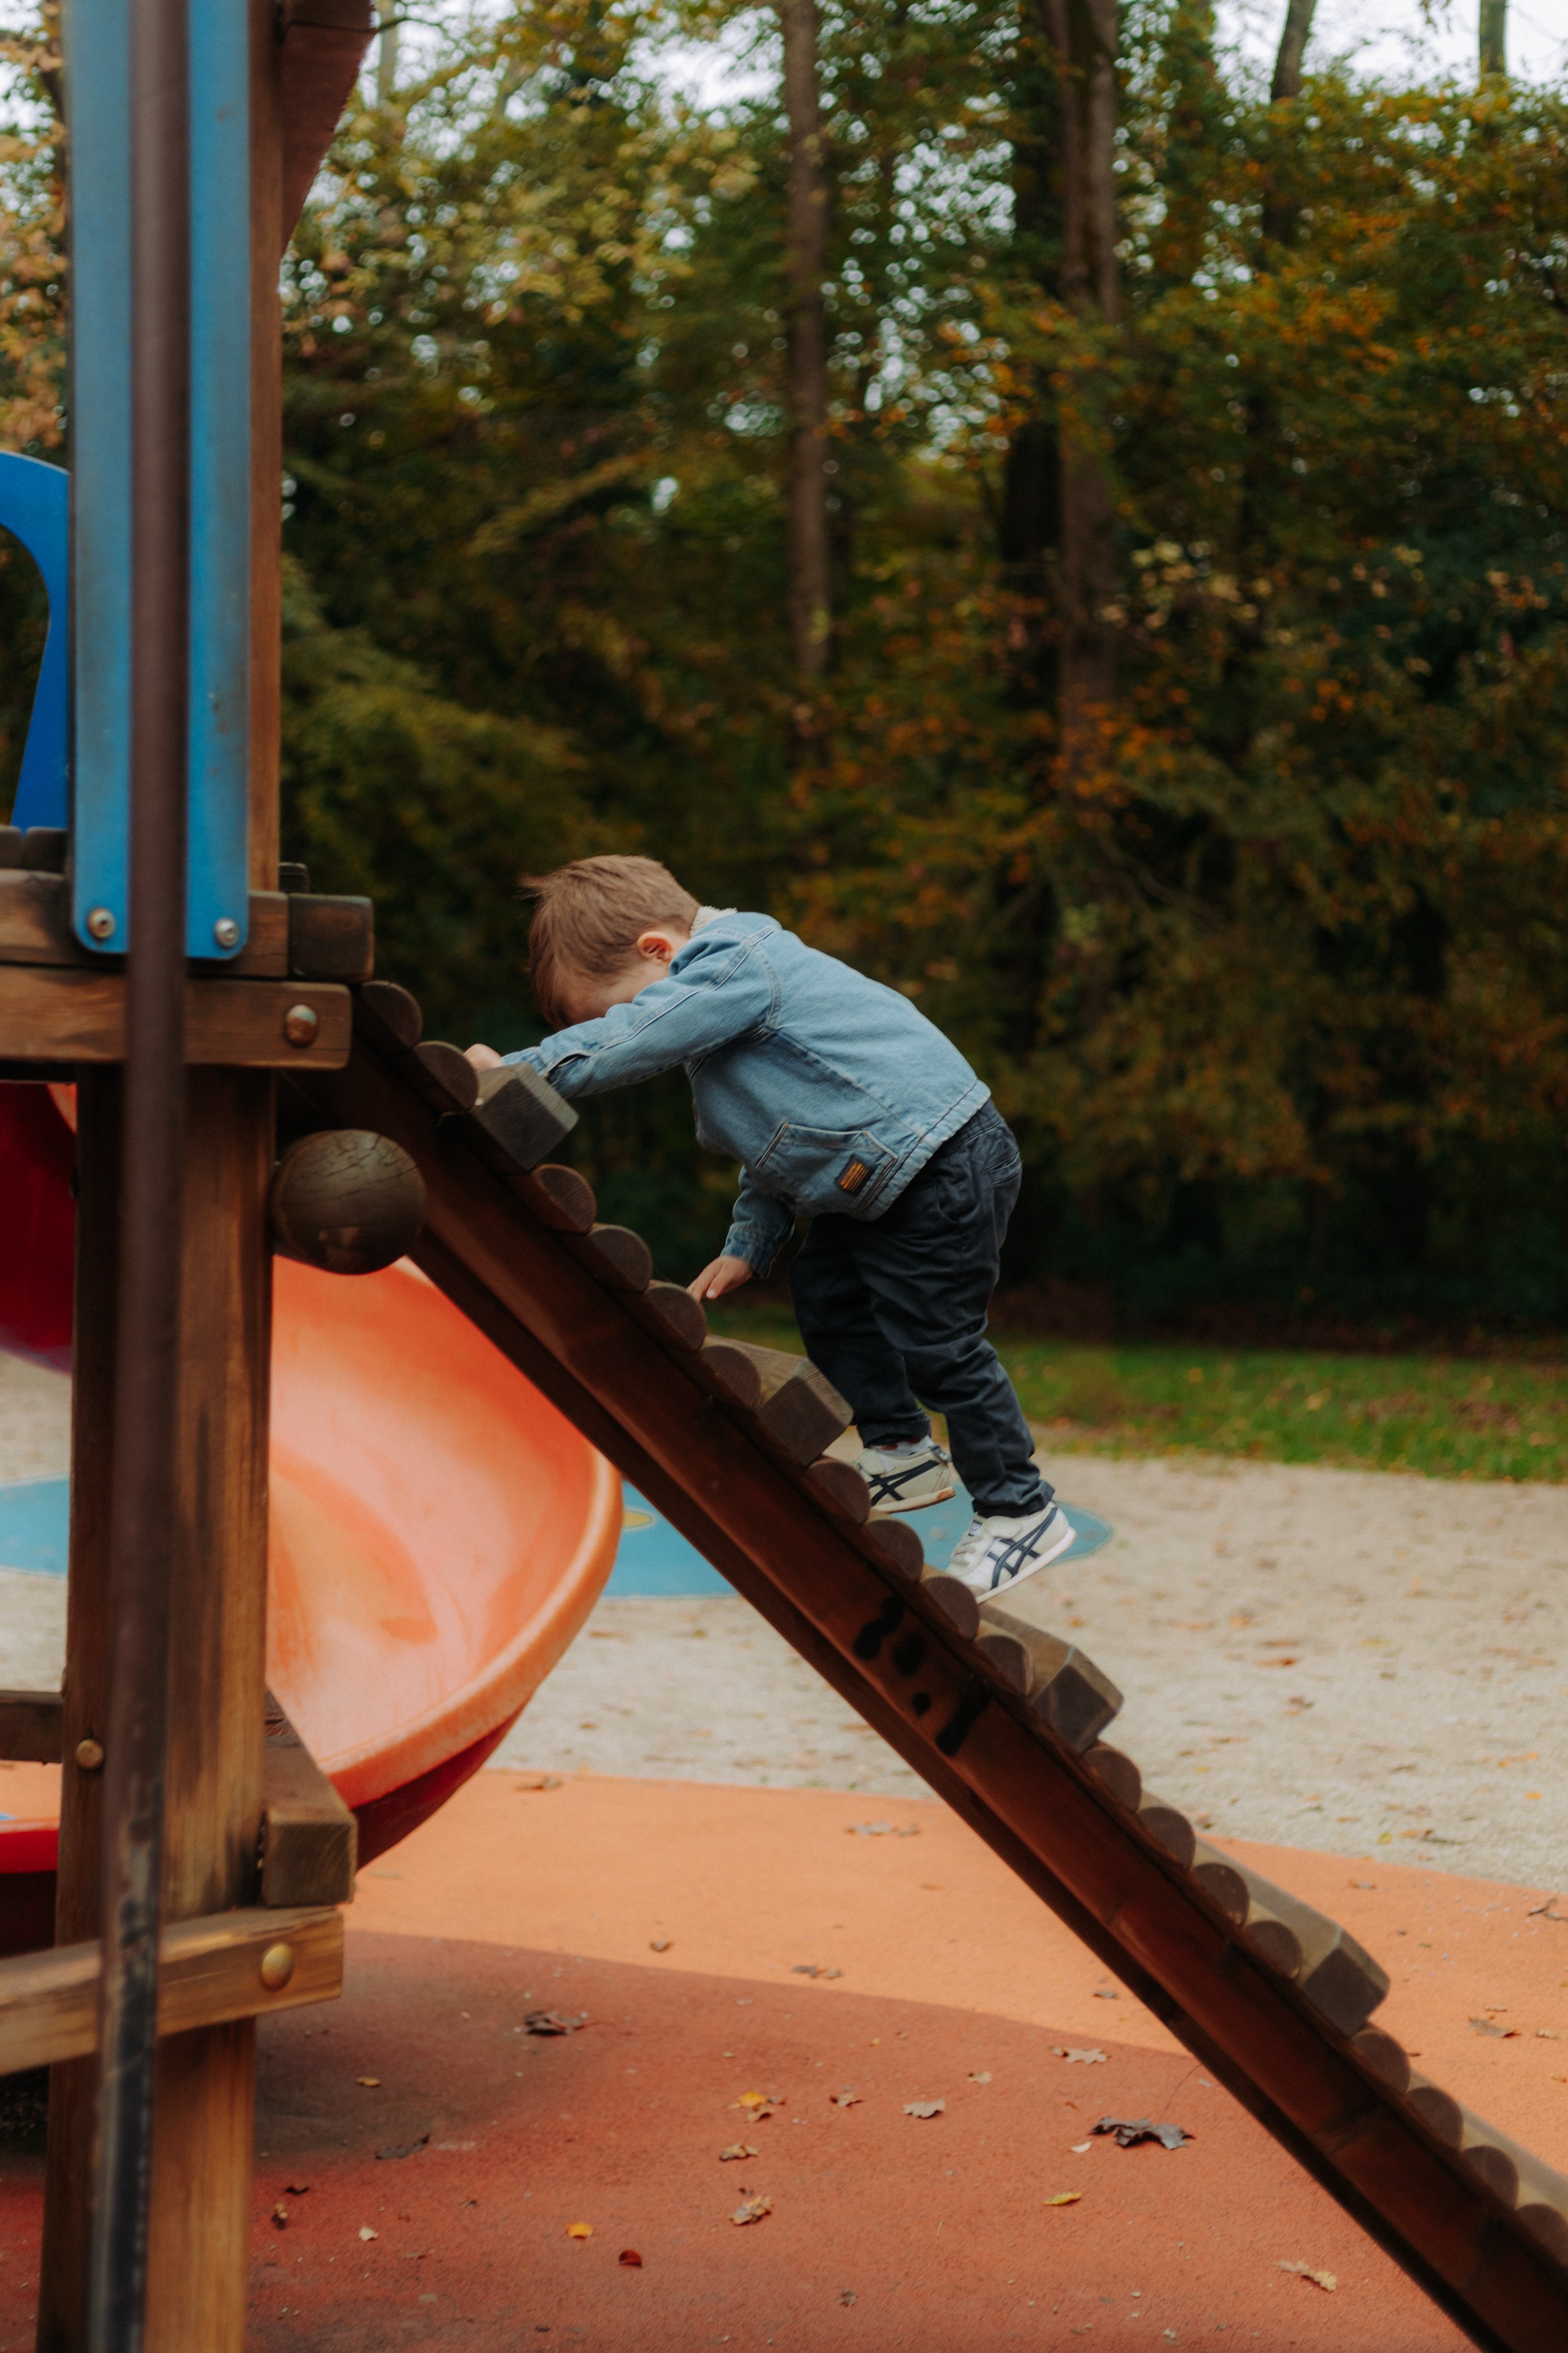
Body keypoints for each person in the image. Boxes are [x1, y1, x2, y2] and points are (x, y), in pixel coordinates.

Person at [466, 854, 1073, 1597]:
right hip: (886, 1183)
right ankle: (903, 1451)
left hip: (943, 1162)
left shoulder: (737, 961)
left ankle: (1021, 1507)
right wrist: (748, 1243)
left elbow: (637, 1035)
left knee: (936, 1341)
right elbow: (779, 1143)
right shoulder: (726, 1027)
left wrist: (519, 1073)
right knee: (825, 1293)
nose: (625, 1025)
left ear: (659, 950)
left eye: (614, 1007)